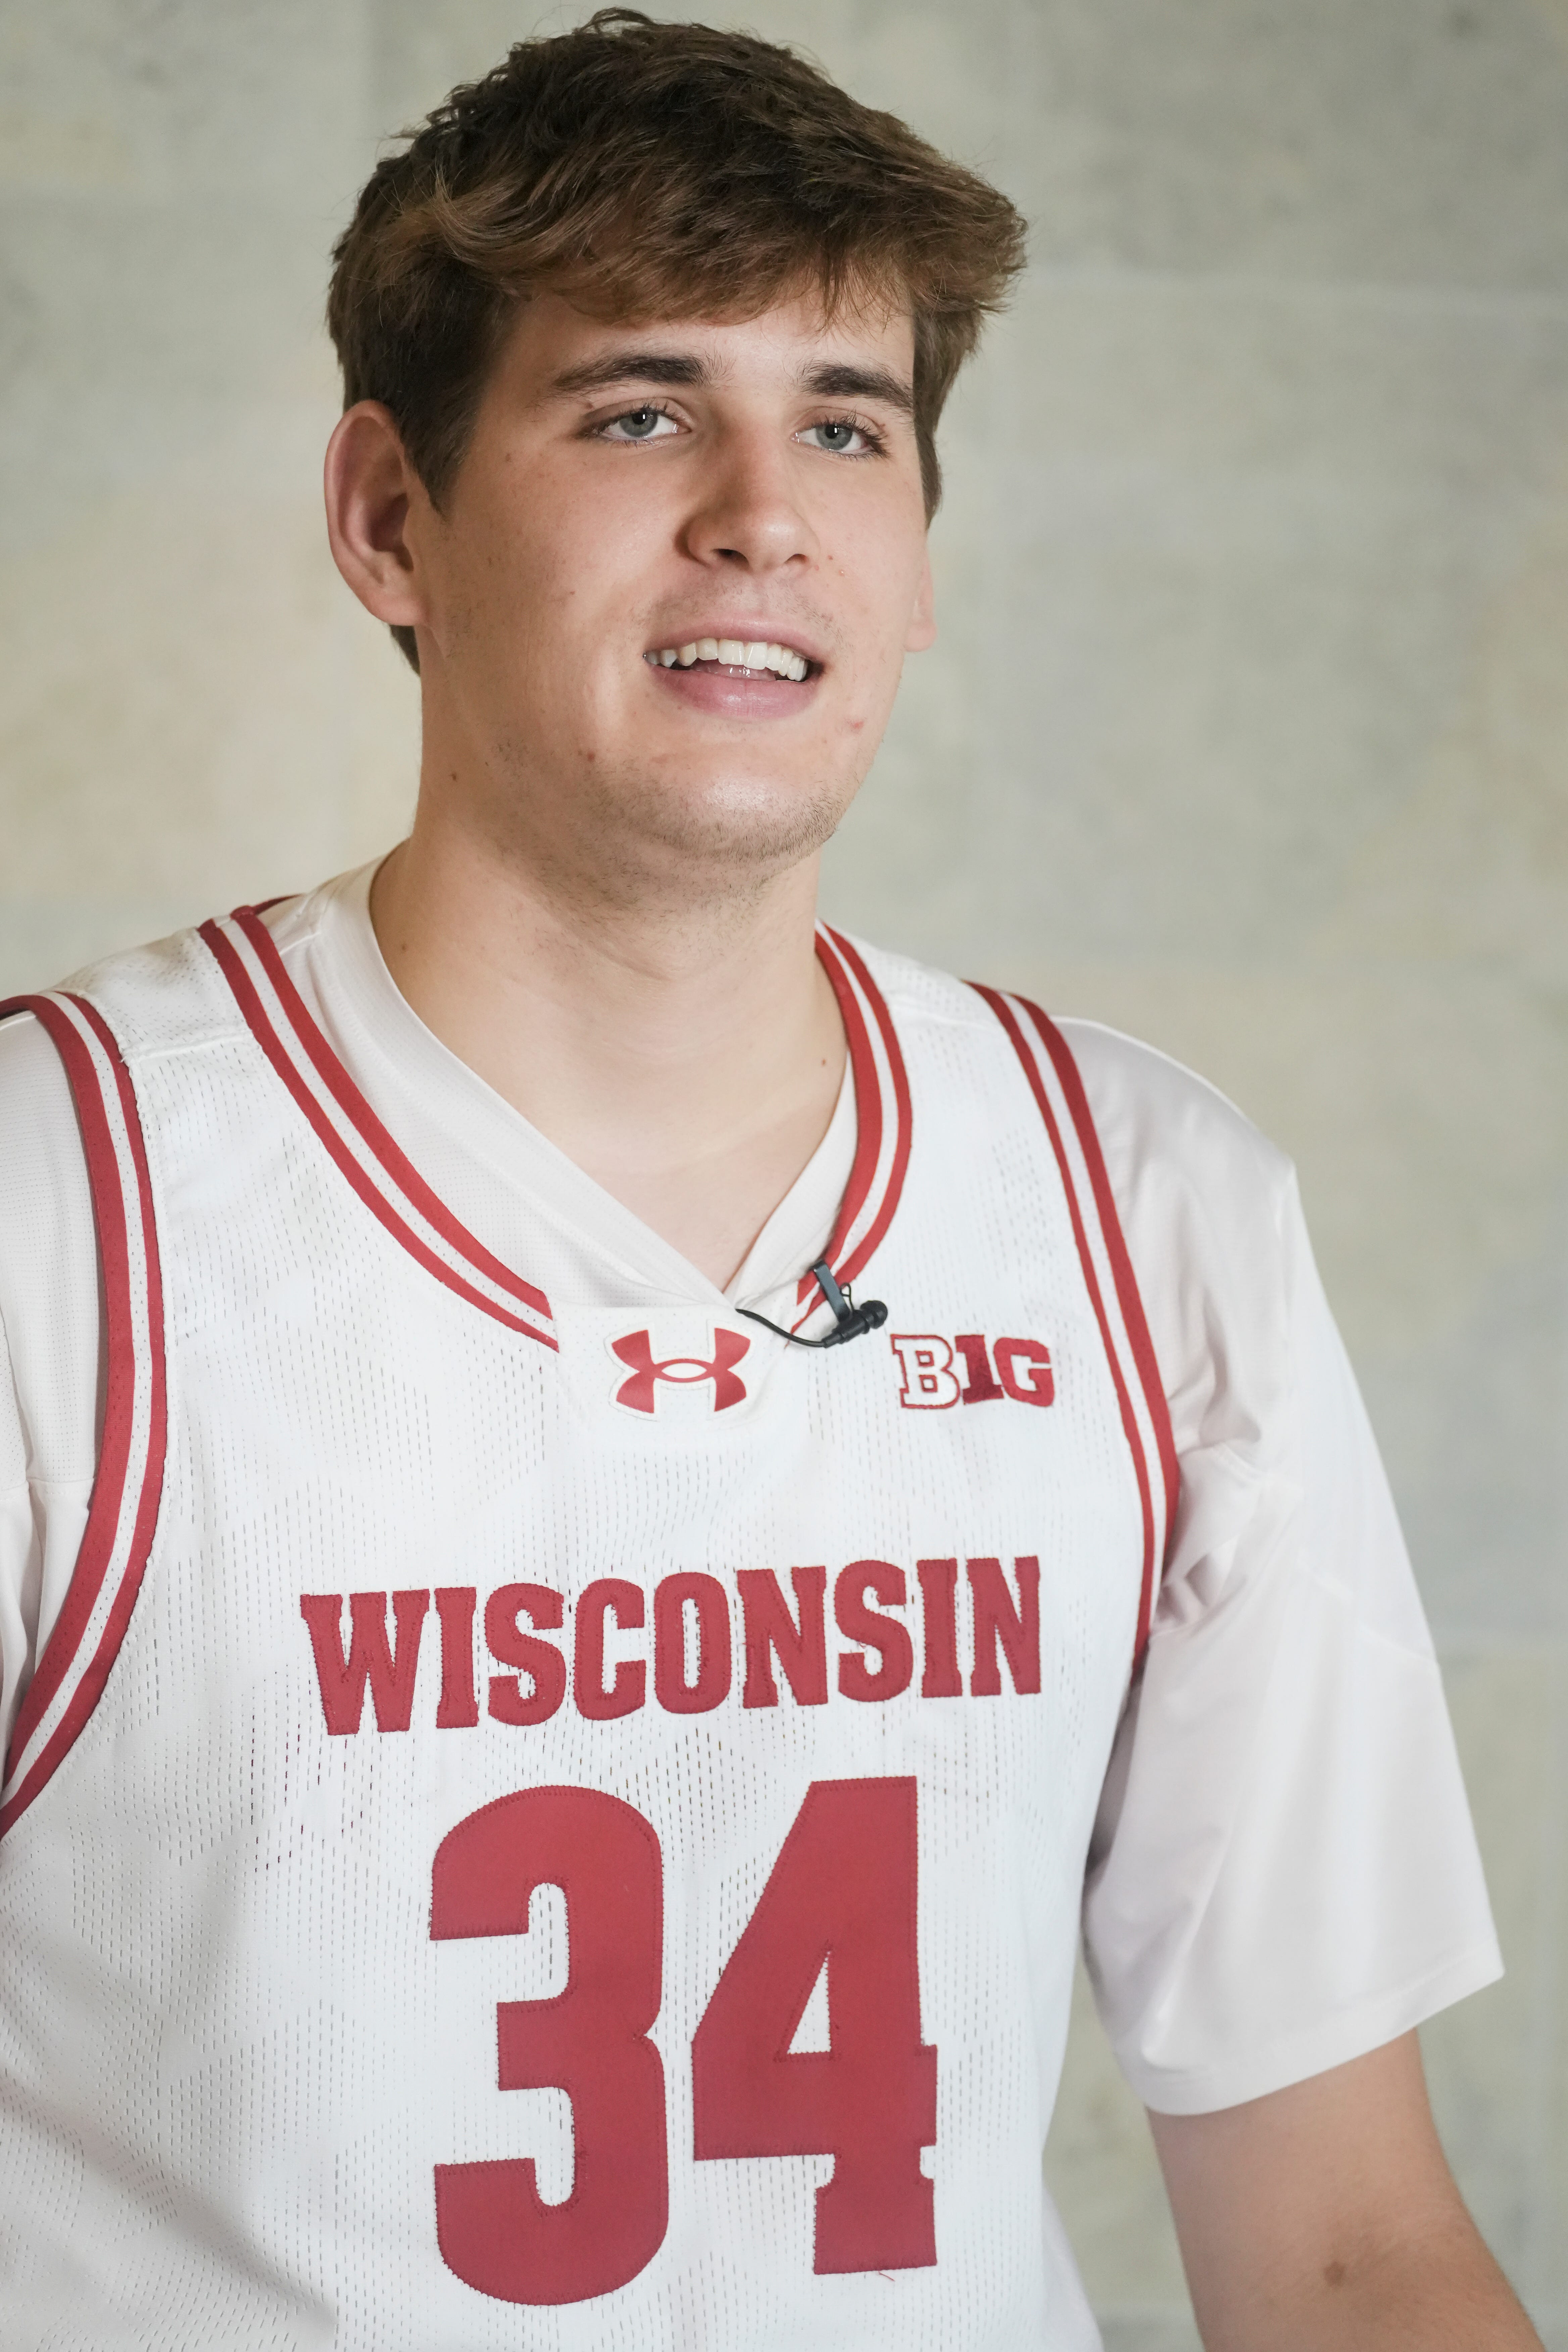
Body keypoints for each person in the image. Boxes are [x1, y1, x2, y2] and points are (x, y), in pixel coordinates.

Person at [0, 12, 1540, 2347]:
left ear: (919, 557)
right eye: (640, 411)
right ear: (387, 519)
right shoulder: (59, 1206)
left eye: (848, 422)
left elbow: (1341, 2249)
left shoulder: (1149, 1211)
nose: (765, 509)